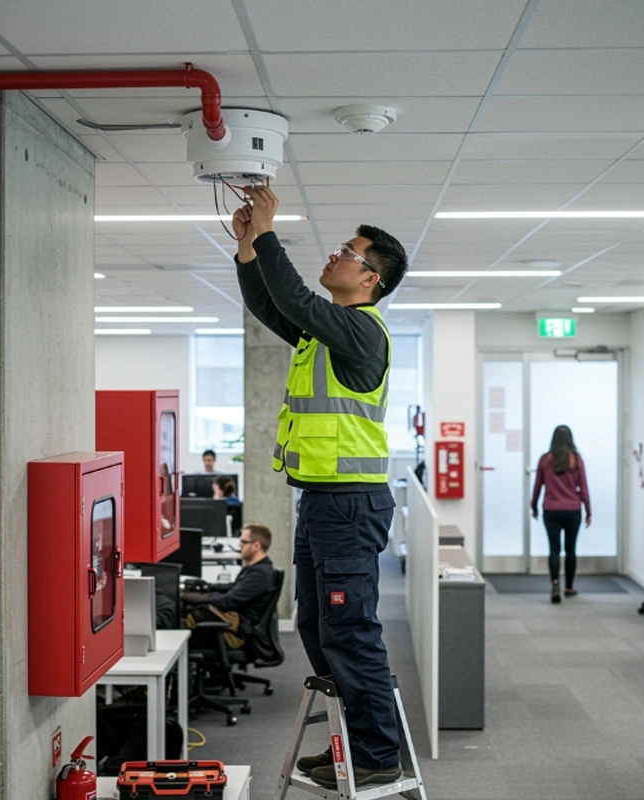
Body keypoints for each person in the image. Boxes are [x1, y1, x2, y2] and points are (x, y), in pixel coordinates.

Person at [232, 186, 408, 790]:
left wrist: (269, 229)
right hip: (320, 502)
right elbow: (271, 307)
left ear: (371, 280)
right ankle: (352, 745)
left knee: (350, 629)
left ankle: (378, 753)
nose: (334, 256)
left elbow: (297, 299)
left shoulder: (361, 333)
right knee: (315, 625)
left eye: (346, 252)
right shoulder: (325, 335)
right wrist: (248, 247)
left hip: (348, 507)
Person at [181, 523, 275, 648]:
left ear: (256, 545)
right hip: (235, 626)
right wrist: (207, 586)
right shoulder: (255, 568)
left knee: (180, 633)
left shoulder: (260, 575)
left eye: (243, 541)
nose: (239, 545)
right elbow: (232, 588)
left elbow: (228, 601)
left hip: (234, 634)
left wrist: (194, 597)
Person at [531, 425, 592, 604]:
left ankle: (555, 583)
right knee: (571, 550)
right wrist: (588, 511)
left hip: (551, 510)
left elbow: (537, 486)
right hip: (573, 510)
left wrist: (534, 507)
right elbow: (584, 488)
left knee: (554, 549)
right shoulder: (576, 460)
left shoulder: (545, 460)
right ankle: (569, 587)